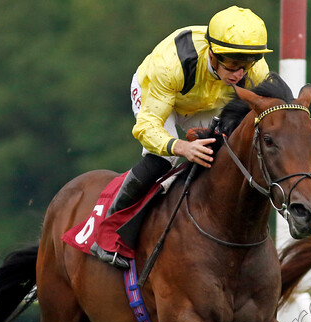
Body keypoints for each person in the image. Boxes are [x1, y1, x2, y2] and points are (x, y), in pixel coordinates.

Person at [93, 5, 272, 267]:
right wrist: (180, 146)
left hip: (208, 102)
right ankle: (109, 233)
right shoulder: (170, 64)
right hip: (160, 95)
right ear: (212, 54)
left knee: (226, 152)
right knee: (162, 160)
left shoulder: (253, 69)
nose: (240, 73)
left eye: (247, 64)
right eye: (233, 64)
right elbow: (146, 128)